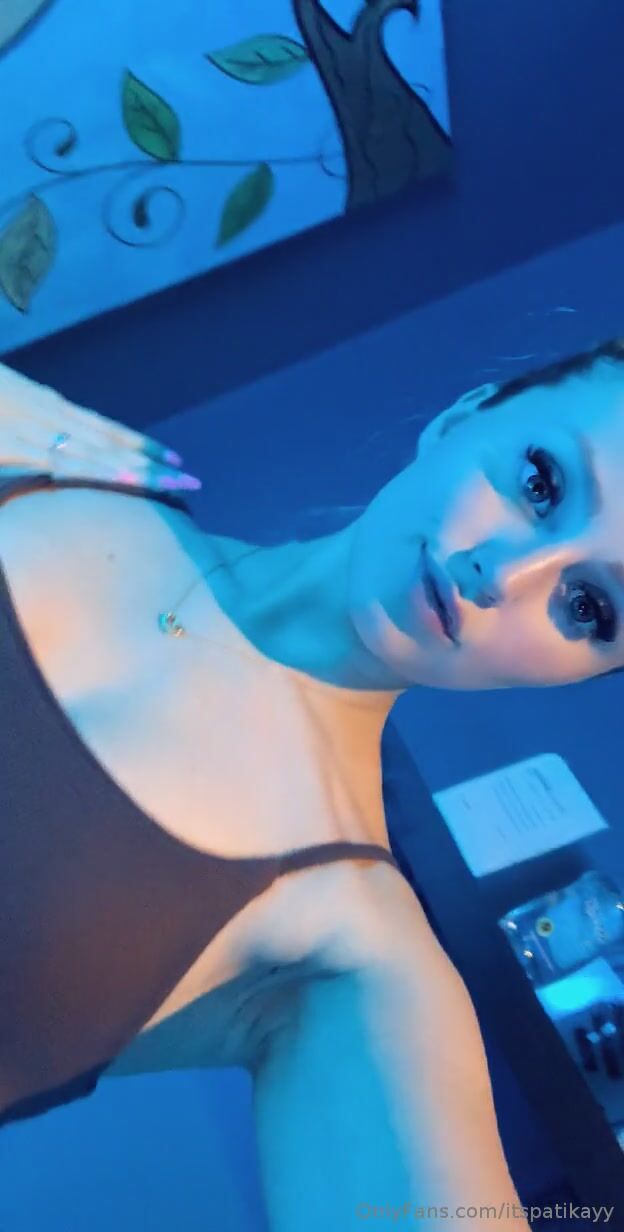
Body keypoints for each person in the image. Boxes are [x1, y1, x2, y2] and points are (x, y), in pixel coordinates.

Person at [4, 335, 623, 1226]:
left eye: (589, 606)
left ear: (578, 674)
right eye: (541, 482)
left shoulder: (351, 949)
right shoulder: (61, 464)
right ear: (465, 415)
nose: (506, 575)